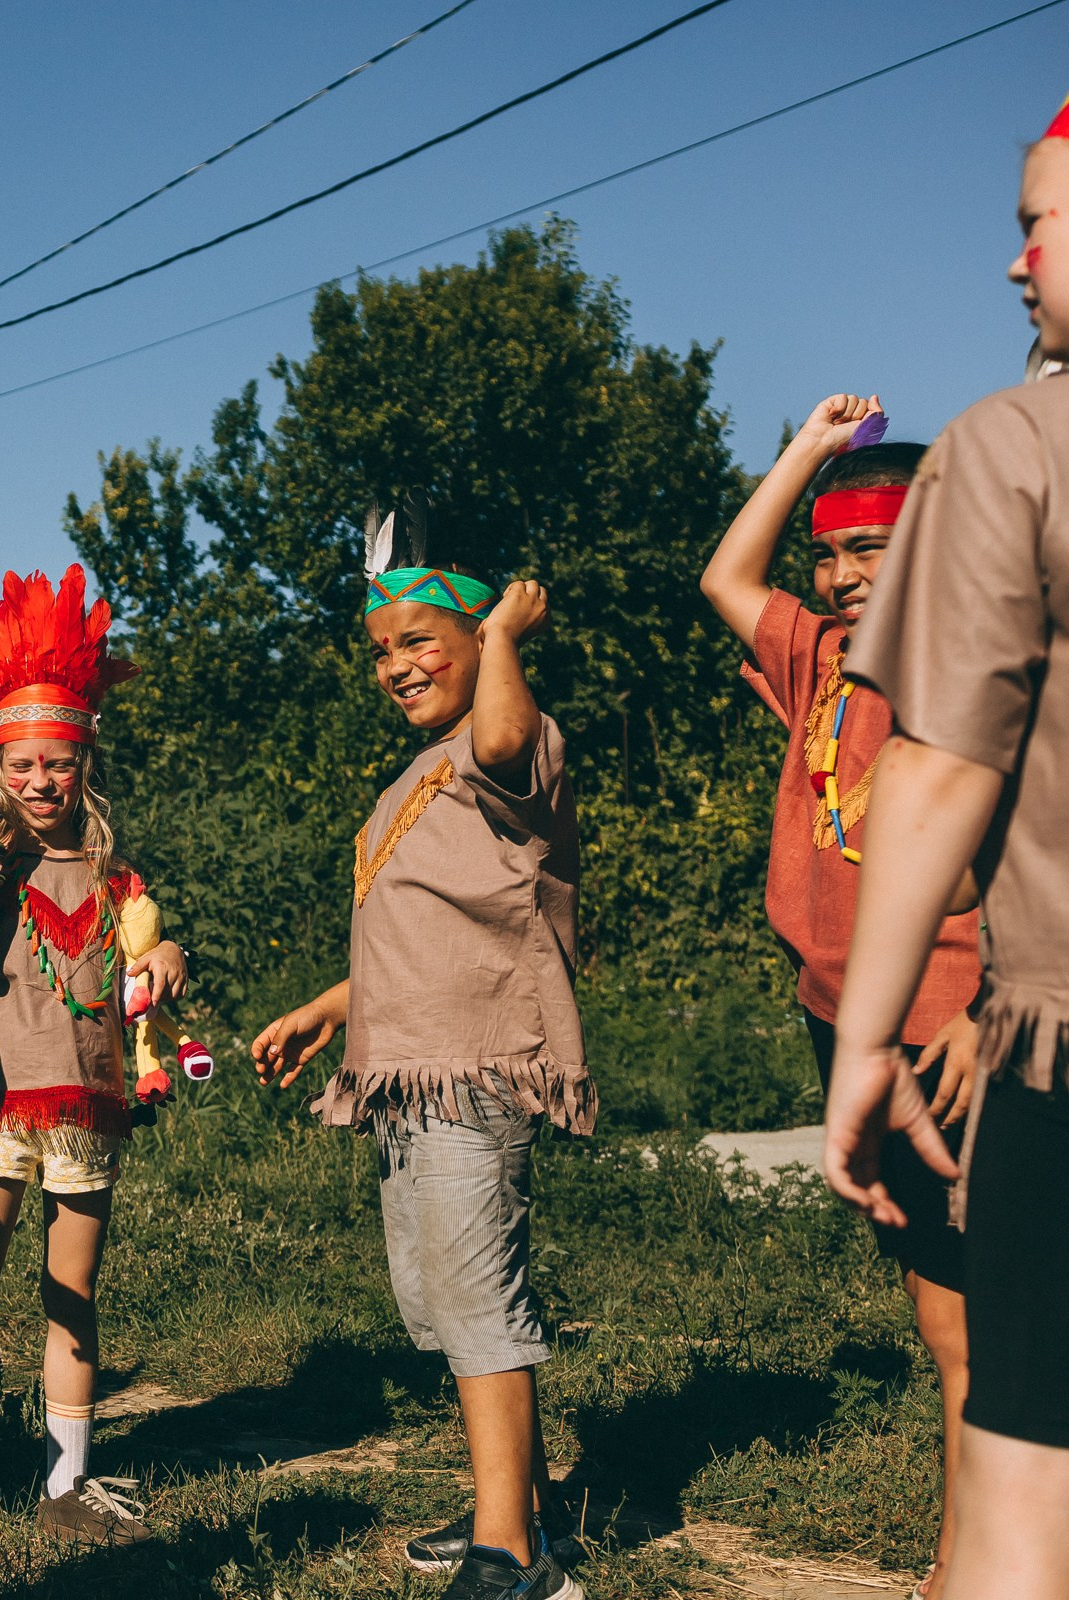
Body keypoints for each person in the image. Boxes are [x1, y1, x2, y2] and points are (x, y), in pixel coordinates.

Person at [825, 95, 1069, 1600]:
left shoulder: (1016, 445)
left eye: (1038, 221)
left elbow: (940, 764)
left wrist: (868, 1042)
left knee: (1025, 1475)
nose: (1014, 262)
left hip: (1061, 1048)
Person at [251, 505, 587, 1600]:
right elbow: (427, 941)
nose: (395, 665)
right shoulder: (421, 774)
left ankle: (511, 1556)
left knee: (478, 1299)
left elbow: (505, 738)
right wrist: (329, 1009)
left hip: (473, 1068)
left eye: (418, 642)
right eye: (380, 650)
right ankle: (520, 1504)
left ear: (478, 634)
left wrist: (506, 638)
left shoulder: (509, 743)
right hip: (408, 1073)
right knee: (443, 1299)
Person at [698, 394, 980, 1598]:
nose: (843, 574)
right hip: (848, 1024)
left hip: (956, 1028)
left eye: (872, 546)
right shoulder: (824, 659)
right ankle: (973, 1553)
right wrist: (812, 452)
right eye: (829, 553)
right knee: (944, 1316)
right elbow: (725, 577)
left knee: (989, 1323)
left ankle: (975, 1564)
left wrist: (992, 1003)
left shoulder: (983, 668)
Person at [0, 565, 187, 1553]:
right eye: (21, 766)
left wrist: (170, 960)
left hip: (88, 1116)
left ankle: (66, 1483)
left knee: (72, 1297)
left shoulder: (113, 875)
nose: (41, 782)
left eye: (58, 763)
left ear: (84, 762)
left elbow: (150, 949)